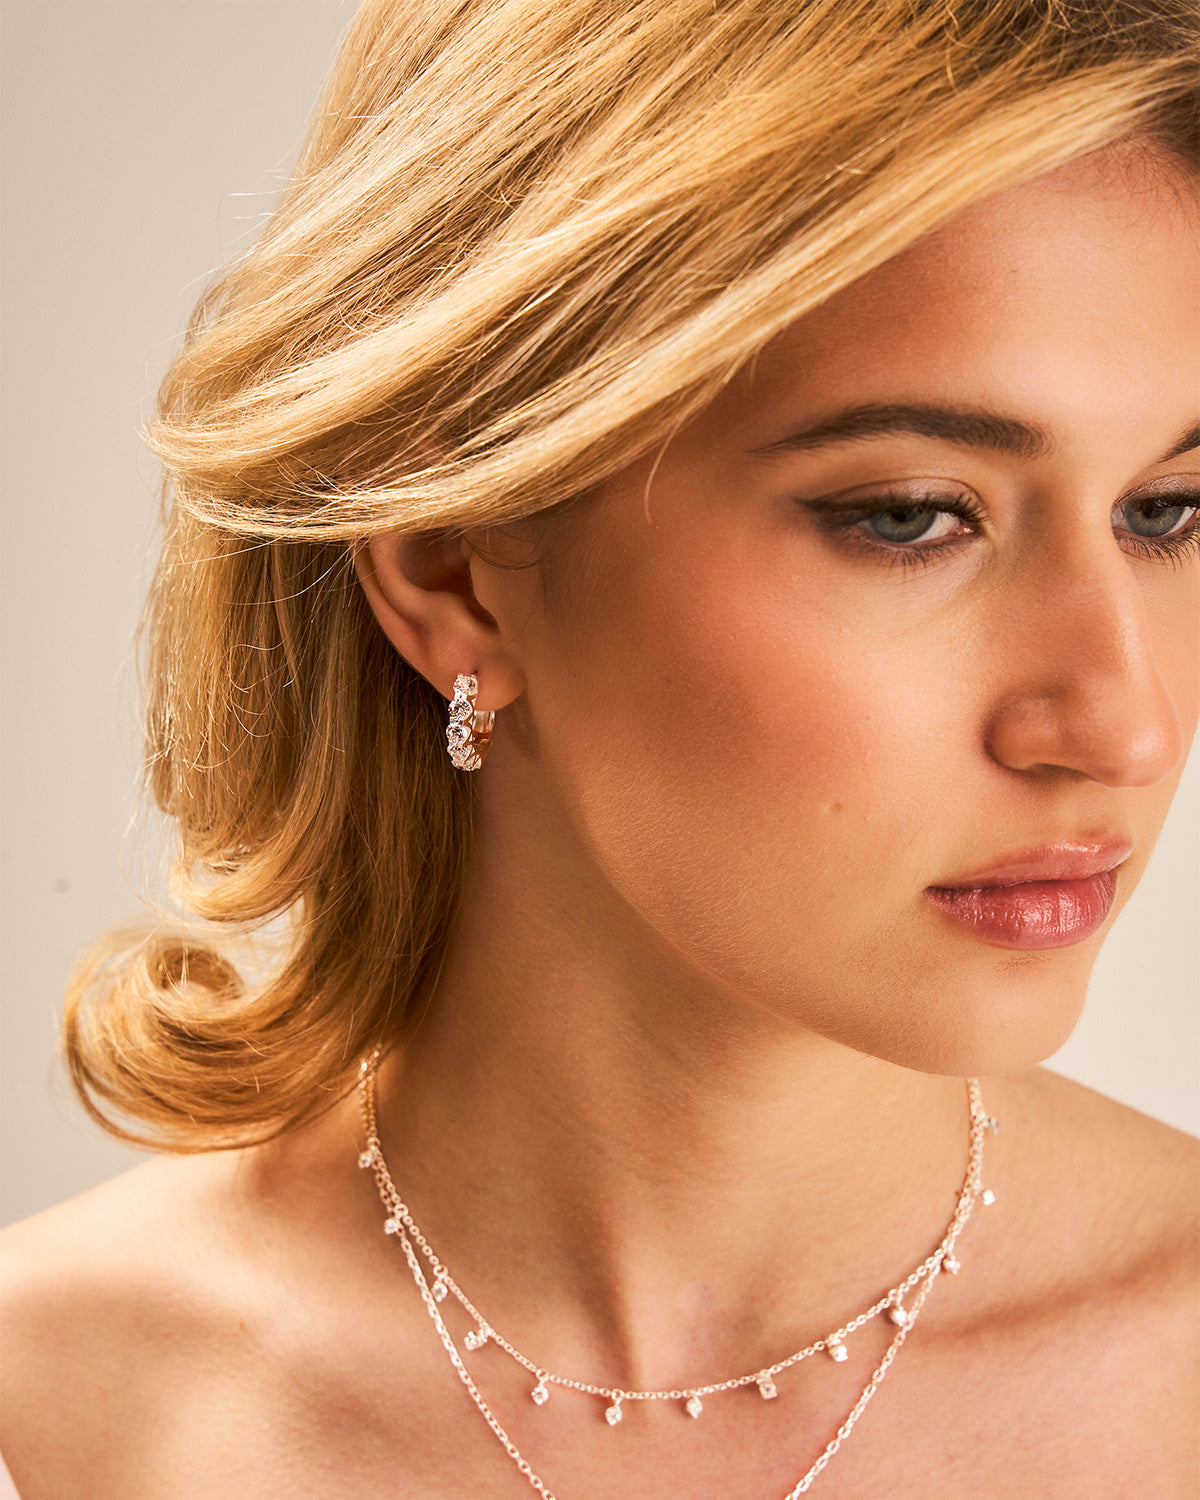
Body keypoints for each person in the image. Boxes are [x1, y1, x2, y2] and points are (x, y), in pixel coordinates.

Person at [1, 0, 1197, 1495]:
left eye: (1167, 512)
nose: (1125, 723)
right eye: (908, 516)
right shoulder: (50, 1411)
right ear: (448, 567)